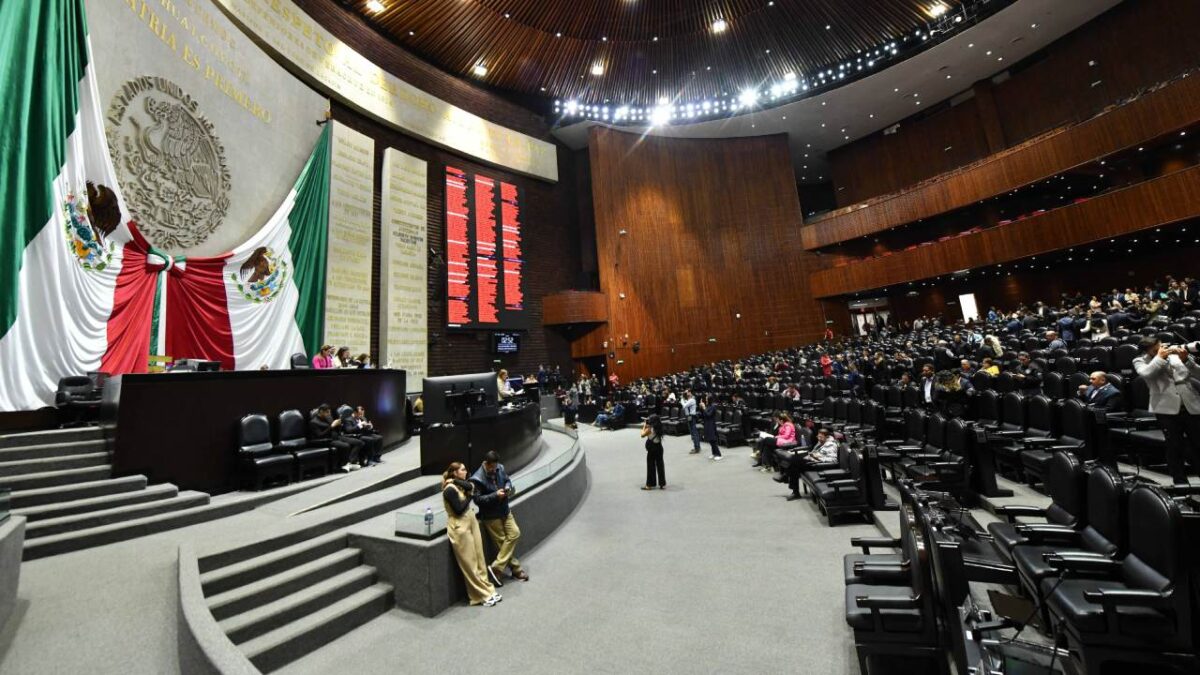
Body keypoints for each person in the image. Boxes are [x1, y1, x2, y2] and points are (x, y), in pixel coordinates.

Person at [1133, 337, 1200, 485]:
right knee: (1174, 446)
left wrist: (1186, 361)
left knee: (1198, 443)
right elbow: (1146, 374)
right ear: (1147, 351)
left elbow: (1198, 374)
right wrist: (1159, 358)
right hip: (1166, 410)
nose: (1161, 349)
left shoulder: (1175, 355)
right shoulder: (1139, 361)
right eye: (1155, 350)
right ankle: (1180, 482)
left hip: (1190, 405)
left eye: (1160, 346)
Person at [442, 462, 501, 607]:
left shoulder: (459, 484)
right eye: (462, 470)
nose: (466, 471)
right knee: (470, 563)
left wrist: (457, 482)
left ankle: (487, 589)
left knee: (480, 558)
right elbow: (459, 509)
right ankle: (479, 595)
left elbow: (471, 487)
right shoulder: (449, 490)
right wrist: (470, 496)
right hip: (459, 526)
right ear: (455, 472)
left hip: (471, 521)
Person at [470, 451, 528, 585]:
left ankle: (497, 567)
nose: (495, 469)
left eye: (496, 466)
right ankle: (516, 570)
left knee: (515, 533)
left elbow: (507, 479)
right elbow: (477, 500)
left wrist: (507, 487)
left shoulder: (500, 468)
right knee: (502, 542)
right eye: (492, 467)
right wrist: (496, 495)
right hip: (491, 515)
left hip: (505, 510)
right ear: (487, 464)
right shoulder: (477, 478)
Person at [781, 428, 839, 501]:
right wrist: (810, 455)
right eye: (818, 436)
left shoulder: (832, 445)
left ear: (827, 437)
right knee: (793, 462)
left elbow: (833, 460)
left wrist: (818, 458)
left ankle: (787, 479)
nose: (819, 438)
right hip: (812, 460)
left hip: (819, 465)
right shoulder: (821, 441)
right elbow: (815, 452)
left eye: (821, 437)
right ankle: (793, 488)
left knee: (794, 463)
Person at [309, 403, 363, 472]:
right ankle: (342, 465)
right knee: (346, 446)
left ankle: (349, 462)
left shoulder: (328, 418)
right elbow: (320, 435)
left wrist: (339, 424)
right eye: (327, 412)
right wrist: (331, 426)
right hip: (326, 440)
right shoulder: (314, 422)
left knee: (359, 442)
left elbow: (336, 429)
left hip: (337, 436)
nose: (329, 414)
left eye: (329, 412)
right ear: (321, 411)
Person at [641, 415, 666, 490]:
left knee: (650, 466)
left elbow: (642, 435)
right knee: (660, 465)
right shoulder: (659, 427)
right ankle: (662, 483)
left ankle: (649, 485)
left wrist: (644, 425)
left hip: (652, 449)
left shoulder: (650, 429)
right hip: (659, 448)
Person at [699, 394, 722, 460]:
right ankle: (714, 453)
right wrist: (701, 408)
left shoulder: (713, 406)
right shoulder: (708, 406)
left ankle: (719, 454)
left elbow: (708, 415)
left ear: (709, 399)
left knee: (713, 440)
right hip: (707, 424)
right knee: (710, 440)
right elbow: (704, 415)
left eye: (706, 398)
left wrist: (704, 408)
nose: (705, 400)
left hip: (711, 424)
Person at [681, 390, 701, 454]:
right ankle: (697, 447)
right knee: (692, 433)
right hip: (689, 417)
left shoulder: (692, 400)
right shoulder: (688, 400)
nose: (686, 393)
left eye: (688, 392)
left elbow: (684, 406)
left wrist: (682, 399)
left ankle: (697, 448)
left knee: (694, 433)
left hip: (692, 417)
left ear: (690, 393)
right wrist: (683, 399)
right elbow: (685, 405)